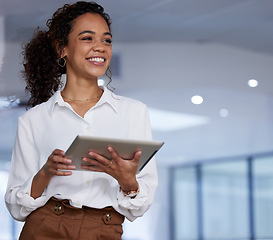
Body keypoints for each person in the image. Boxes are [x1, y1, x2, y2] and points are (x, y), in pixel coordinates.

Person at [5, 1, 158, 239]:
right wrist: (46, 172)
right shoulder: (33, 120)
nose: (100, 47)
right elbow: (16, 207)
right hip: (45, 227)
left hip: (104, 229)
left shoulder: (134, 112)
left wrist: (128, 182)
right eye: (88, 38)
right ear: (62, 48)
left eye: (106, 40)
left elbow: (140, 205)